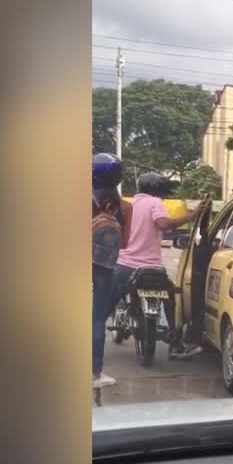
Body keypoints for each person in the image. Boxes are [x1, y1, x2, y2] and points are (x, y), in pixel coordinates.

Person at [102, 172, 205, 361]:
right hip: (152, 268)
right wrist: (191, 216)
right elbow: (162, 224)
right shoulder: (155, 203)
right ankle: (175, 344)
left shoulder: (128, 204)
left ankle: (91, 346)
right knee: (169, 299)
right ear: (156, 189)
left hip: (124, 265)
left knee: (103, 307)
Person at [91, 153, 128, 388]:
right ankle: (95, 374)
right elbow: (124, 244)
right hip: (105, 266)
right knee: (96, 319)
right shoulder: (124, 207)